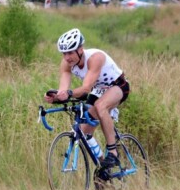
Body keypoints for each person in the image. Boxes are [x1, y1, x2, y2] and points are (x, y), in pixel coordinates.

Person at [44, 28, 130, 169]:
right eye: (64, 53)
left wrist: (69, 93)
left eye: (70, 52)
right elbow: (64, 90)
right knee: (83, 132)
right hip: (98, 89)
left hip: (118, 85)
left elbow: (85, 89)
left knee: (101, 106)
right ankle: (103, 168)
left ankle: (113, 153)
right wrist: (57, 97)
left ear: (81, 49)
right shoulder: (66, 64)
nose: (67, 57)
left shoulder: (95, 58)